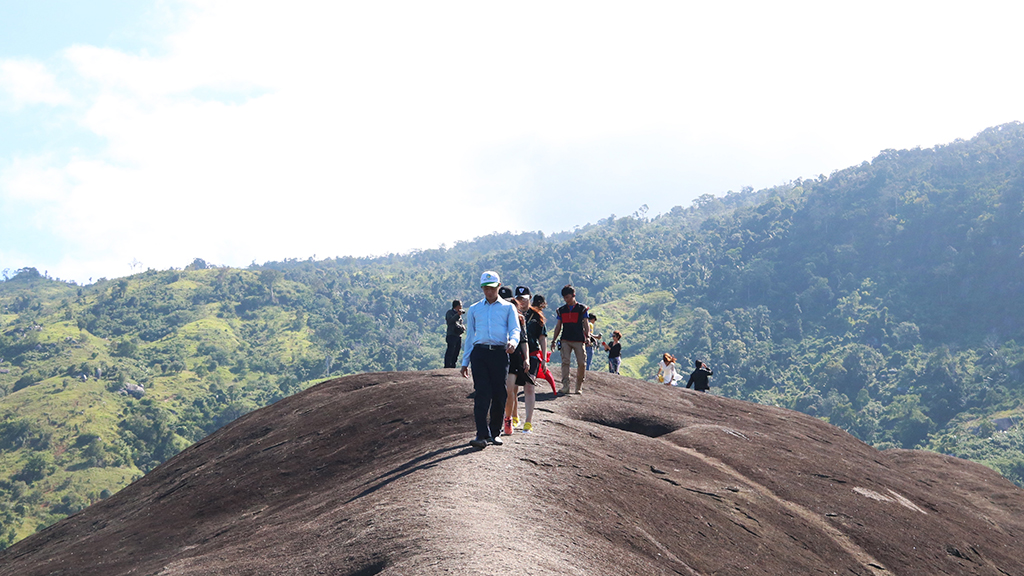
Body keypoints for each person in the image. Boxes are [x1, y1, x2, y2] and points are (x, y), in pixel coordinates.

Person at [460, 271, 521, 449]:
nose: (489, 291)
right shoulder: (475, 309)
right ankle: (481, 433)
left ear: (498, 286)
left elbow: (515, 329)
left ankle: (495, 432)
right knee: (481, 393)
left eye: (492, 288)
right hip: (480, 353)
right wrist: (465, 362)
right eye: (486, 288)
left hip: (499, 352)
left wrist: (513, 342)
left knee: (499, 393)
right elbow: (470, 336)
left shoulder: (508, 308)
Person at [550, 284, 590, 395]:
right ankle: (565, 386)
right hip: (565, 339)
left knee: (582, 363)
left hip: (579, 339)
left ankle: (579, 386)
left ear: (573, 295)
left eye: (567, 297)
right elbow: (558, 326)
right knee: (565, 362)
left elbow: (586, 324)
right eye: (564, 298)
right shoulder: (561, 310)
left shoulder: (582, 309)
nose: (566, 300)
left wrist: (588, 337)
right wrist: (553, 340)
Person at [501, 286, 530, 436]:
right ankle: (505, 416)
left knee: (510, 389)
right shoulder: (495, 316)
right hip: (497, 356)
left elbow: (523, 339)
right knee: (499, 390)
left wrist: (526, 358)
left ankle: (508, 418)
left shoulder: (519, 318)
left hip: (513, 356)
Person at [444, 300, 465, 368]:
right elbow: (450, 321)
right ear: (457, 306)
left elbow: (459, 324)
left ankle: (453, 365)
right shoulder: (450, 312)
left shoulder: (459, 315)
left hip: (458, 335)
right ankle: (447, 365)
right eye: (461, 305)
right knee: (450, 350)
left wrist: (462, 327)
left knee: (457, 351)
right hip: (451, 335)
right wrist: (457, 315)